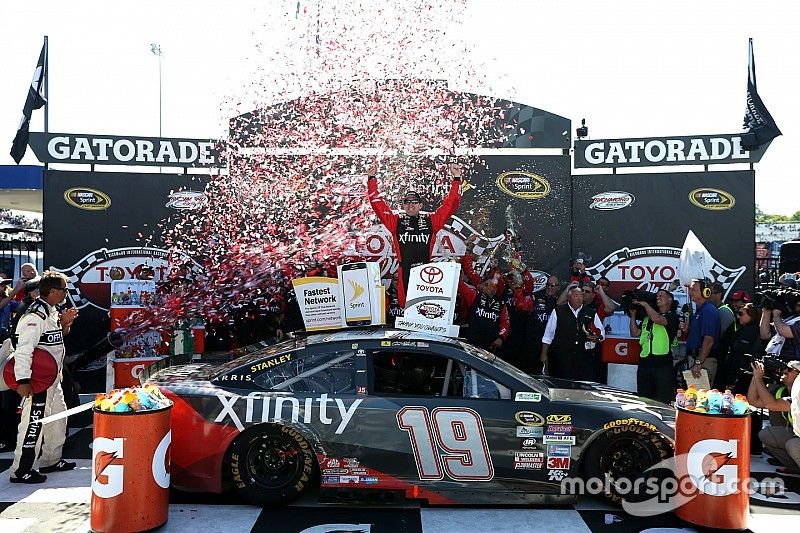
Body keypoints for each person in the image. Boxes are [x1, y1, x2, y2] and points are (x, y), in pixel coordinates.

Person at [9, 271, 79, 484]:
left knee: (58, 418)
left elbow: (56, 340)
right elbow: (23, 350)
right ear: (54, 291)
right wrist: (22, 381)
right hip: (37, 381)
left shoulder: (52, 311)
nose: (66, 294)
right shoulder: (34, 315)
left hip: (53, 379)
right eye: (64, 290)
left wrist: (65, 324)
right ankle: (21, 470)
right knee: (33, 423)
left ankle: (50, 459)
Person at [366, 160, 463, 307]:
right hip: (404, 271)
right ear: (403, 205)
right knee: (406, 307)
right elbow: (377, 204)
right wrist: (371, 179)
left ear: (420, 205)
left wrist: (456, 179)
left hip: (425, 271)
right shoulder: (395, 221)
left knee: (424, 307)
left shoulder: (432, 221)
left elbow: (451, 204)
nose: (410, 204)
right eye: (407, 202)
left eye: (414, 201)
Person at [540, 285, 604, 381]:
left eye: (581, 295)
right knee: (561, 382)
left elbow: (601, 333)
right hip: (562, 357)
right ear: (568, 297)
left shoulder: (591, 312)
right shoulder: (558, 311)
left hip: (583, 357)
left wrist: (597, 337)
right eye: (575, 295)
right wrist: (544, 354)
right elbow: (548, 335)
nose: (579, 298)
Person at [748, 360, 800, 474]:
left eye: (790, 370)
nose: (785, 370)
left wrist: (759, 378)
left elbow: (771, 404)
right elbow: (753, 401)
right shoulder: (782, 391)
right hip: (797, 435)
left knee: (793, 445)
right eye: (785, 368)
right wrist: (755, 376)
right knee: (767, 434)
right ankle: (795, 469)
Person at [628, 289, 680, 404]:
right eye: (657, 296)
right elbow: (635, 333)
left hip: (663, 367)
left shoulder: (673, 317)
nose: (658, 297)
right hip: (644, 365)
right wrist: (633, 315)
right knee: (644, 401)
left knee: (662, 401)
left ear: (670, 299)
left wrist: (645, 304)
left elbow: (657, 319)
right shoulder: (647, 318)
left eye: (661, 295)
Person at [458, 253, 511, 355]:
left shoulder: (501, 304)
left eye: (492, 285)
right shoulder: (474, 296)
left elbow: (506, 323)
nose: (489, 287)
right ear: (481, 286)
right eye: (486, 284)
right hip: (471, 345)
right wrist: (456, 267)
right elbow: (461, 285)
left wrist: (501, 337)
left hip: (490, 348)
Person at [681, 279, 721, 385]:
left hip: (703, 362)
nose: (690, 292)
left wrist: (698, 362)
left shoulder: (708, 311)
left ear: (705, 292)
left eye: (694, 290)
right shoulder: (701, 310)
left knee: (701, 397)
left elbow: (708, 340)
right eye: (690, 289)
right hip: (698, 360)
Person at [724, 303, 764, 394]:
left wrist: (731, 379)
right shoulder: (743, 329)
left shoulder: (751, 331)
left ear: (751, 315)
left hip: (742, 376)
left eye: (741, 314)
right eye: (737, 313)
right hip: (740, 374)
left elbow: (739, 356)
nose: (738, 316)